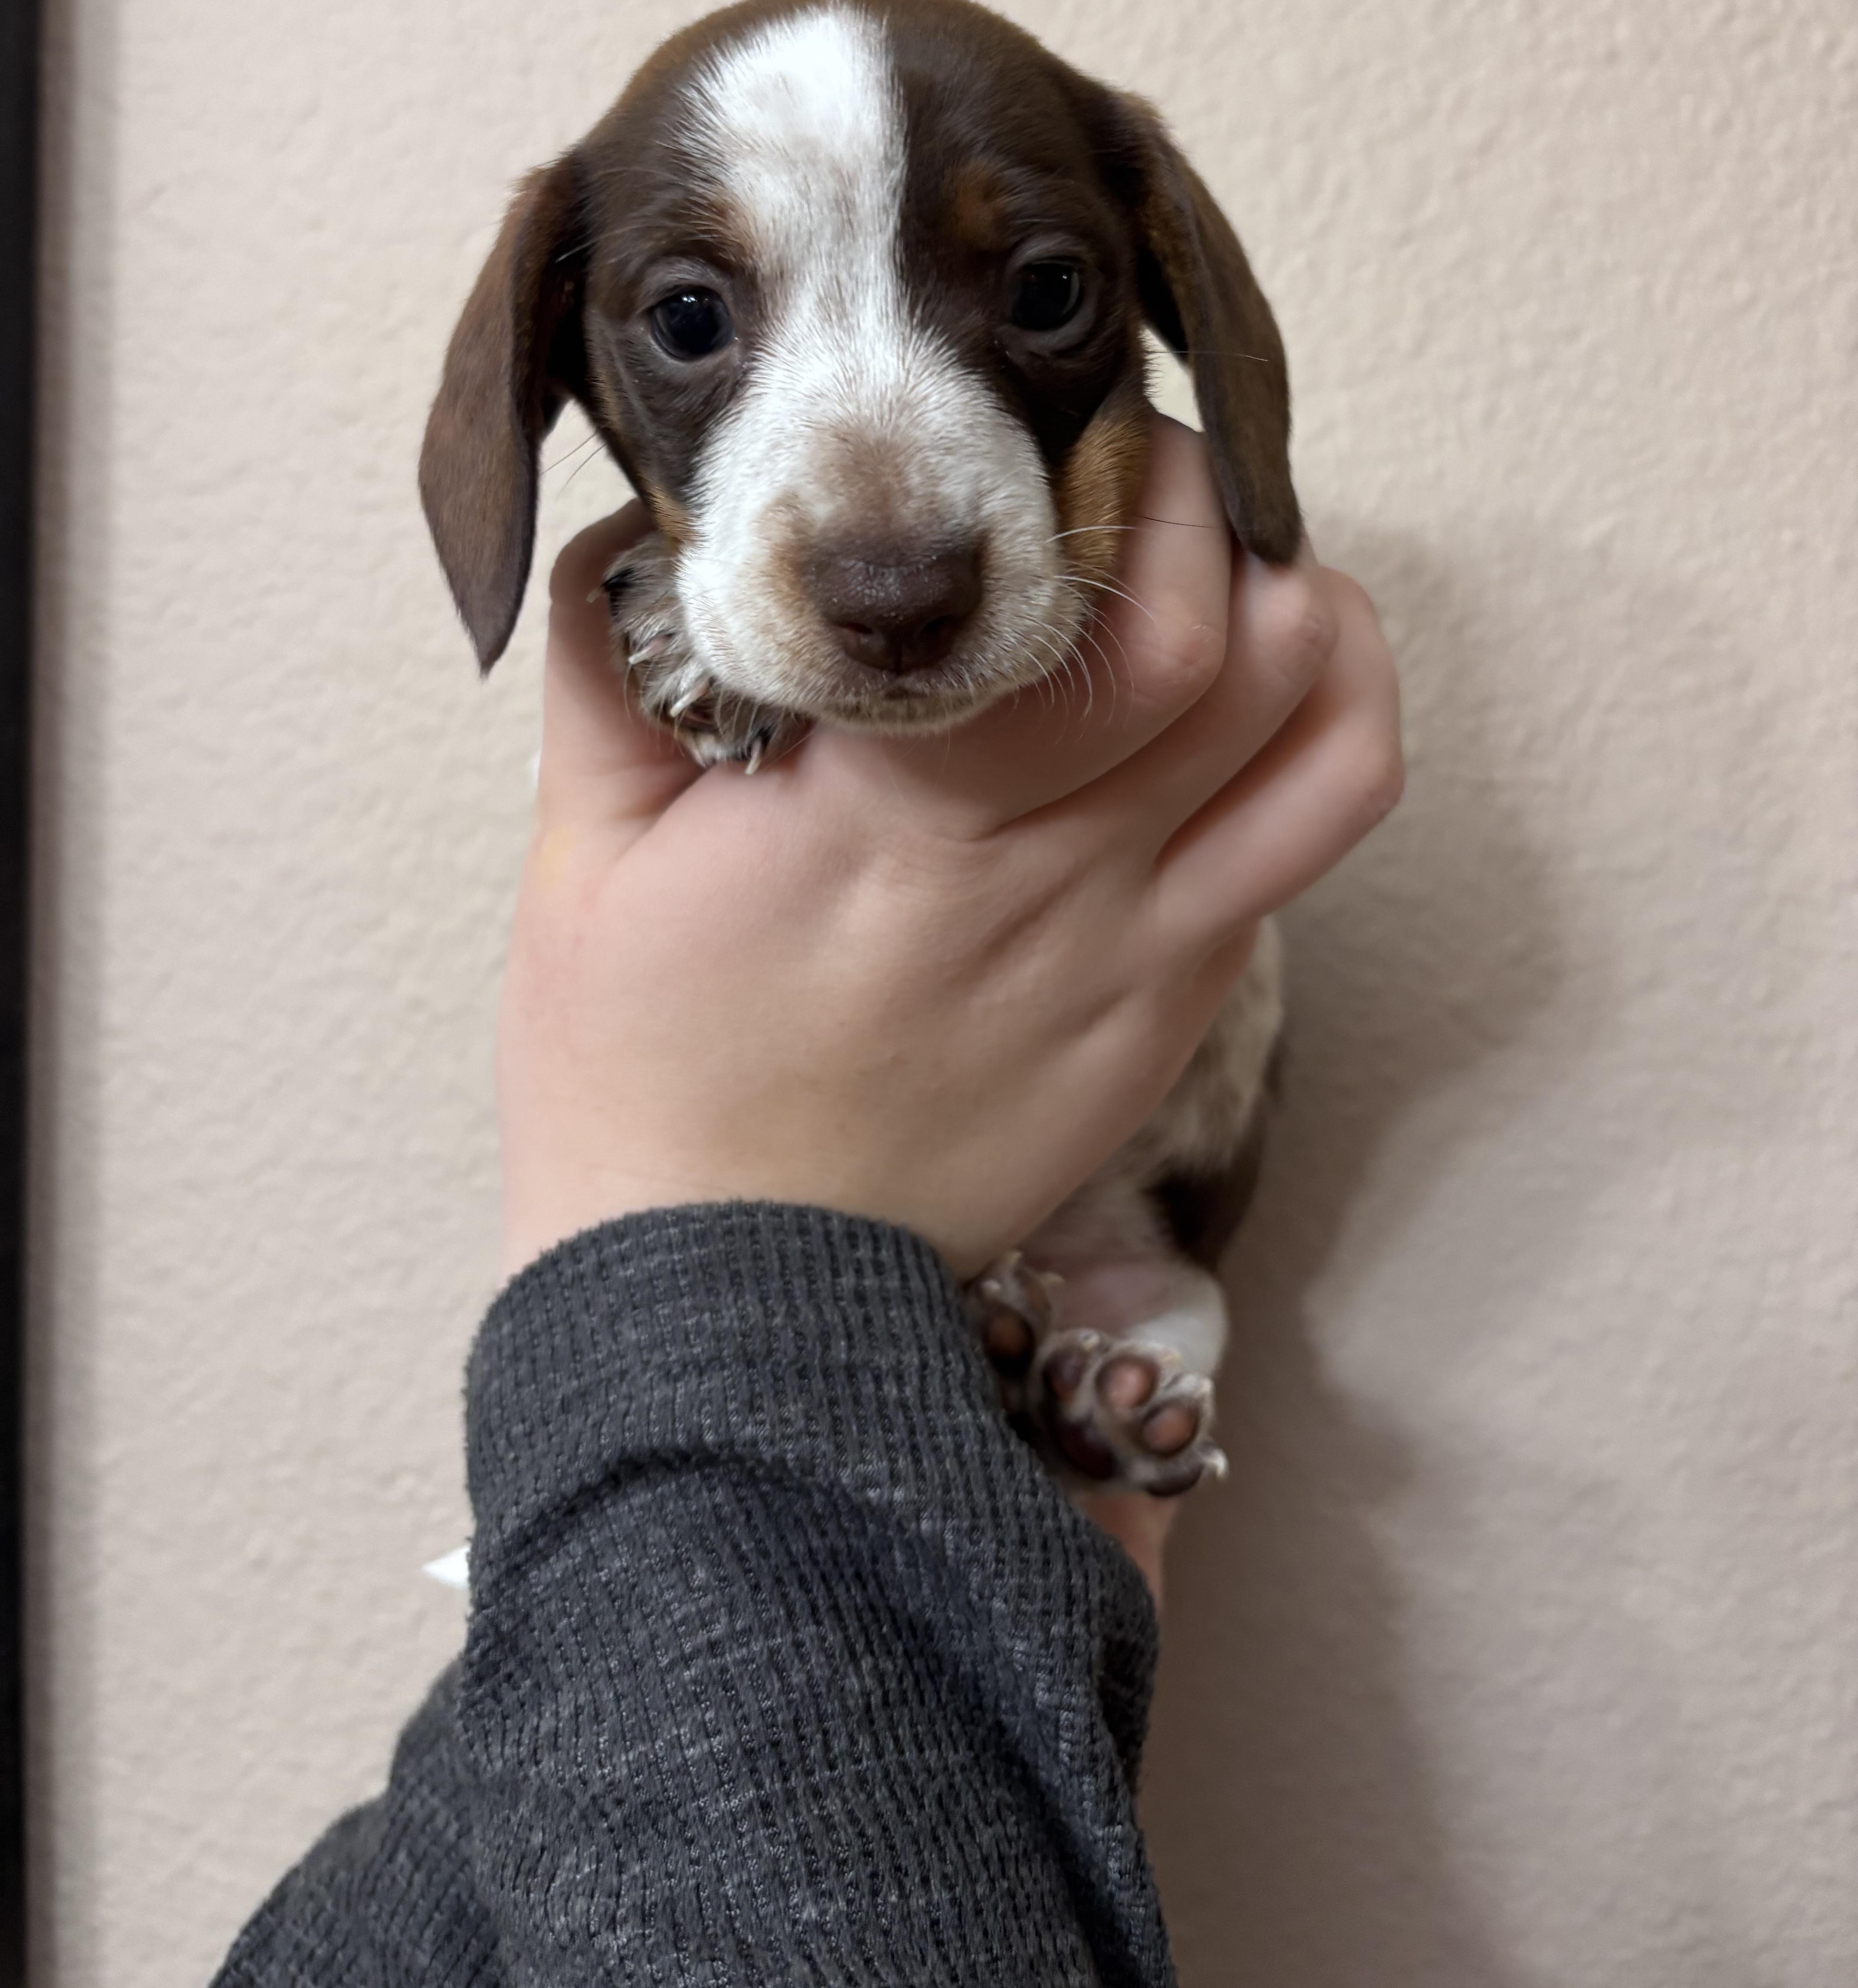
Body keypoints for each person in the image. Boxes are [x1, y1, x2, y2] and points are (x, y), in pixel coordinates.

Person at [214, 421, 1402, 1985]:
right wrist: (684, 1249)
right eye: (695, 320)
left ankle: (1110, 1358)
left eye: (1042, 298)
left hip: (1060, 1320)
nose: (892, 551)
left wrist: (657, 1255)